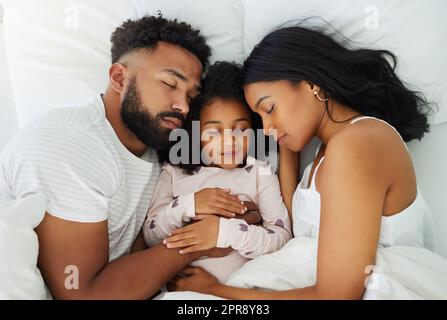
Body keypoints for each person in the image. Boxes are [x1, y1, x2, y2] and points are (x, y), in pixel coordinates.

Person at [169, 25, 435, 299]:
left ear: (310, 84)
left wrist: (215, 290)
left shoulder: (357, 143)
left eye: (270, 108)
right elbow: (298, 229)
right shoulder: (325, 153)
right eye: (260, 119)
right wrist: (287, 139)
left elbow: (336, 296)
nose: (268, 128)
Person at [0, 14, 223, 299]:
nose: (182, 106)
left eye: (191, 96)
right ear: (119, 78)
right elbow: (80, 294)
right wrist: (200, 242)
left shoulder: (156, 147)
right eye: (169, 83)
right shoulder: (72, 145)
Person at [144, 62, 292, 285]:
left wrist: (224, 232)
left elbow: (281, 237)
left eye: (241, 129)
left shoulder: (260, 173)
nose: (229, 140)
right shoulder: (174, 172)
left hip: (242, 289)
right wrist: (189, 204)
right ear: (194, 134)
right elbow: (151, 235)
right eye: (213, 132)